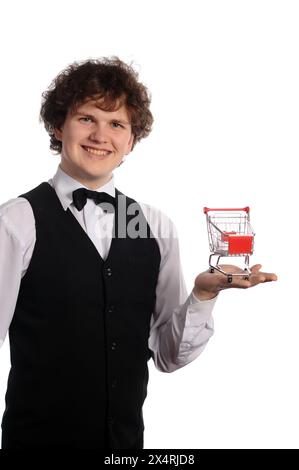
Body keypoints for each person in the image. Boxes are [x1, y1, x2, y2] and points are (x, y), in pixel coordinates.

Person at [0, 57, 277, 450]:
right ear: (58, 126)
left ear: (130, 140)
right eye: (86, 119)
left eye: (116, 124)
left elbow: (167, 355)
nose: (100, 135)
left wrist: (202, 295)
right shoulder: (17, 221)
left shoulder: (156, 227)